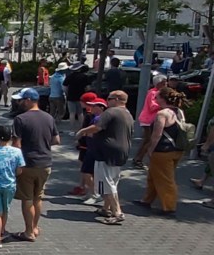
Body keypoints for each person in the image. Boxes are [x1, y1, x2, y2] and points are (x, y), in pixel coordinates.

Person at [76, 91, 134, 225]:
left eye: (109, 98)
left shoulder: (110, 112)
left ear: (117, 99)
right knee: (113, 180)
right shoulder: (128, 114)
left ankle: (117, 212)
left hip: (105, 153)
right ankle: (106, 208)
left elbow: (97, 127)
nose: (107, 101)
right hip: (121, 151)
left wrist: (82, 131)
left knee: (107, 183)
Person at [11, 87, 60, 242]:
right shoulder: (49, 118)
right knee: (38, 197)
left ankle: (28, 232)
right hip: (45, 163)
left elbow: (16, 145)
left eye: (21, 100)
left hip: (28, 163)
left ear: (28, 100)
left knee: (27, 199)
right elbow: (56, 140)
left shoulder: (20, 119)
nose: (19, 102)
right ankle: (35, 227)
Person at [135, 87, 188, 218]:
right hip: (177, 150)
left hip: (162, 151)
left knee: (165, 179)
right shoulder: (179, 112)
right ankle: (146, 200)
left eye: (157, 97)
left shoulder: (162, 114)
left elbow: (156, 135)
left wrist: (150, 149)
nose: (155, 98)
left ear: (163, 99)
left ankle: (169, 207)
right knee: (153, 176)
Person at [0, 125, 26, 249]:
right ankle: (2, 231)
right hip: (10, 184)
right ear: (10, 137)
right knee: (5, 209)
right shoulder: (17, 152)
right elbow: (19, 170)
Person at [132, 75, 167, 170]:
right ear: (158, 84)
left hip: (150, 119)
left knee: (147, 140)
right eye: (164, 83)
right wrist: (163, 105)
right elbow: (152, 107)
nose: (166, 84)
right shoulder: (153, 93)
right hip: (148, 119)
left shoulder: (157, 92)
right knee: (149, 140)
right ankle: (138, 159)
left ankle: (138, 158)